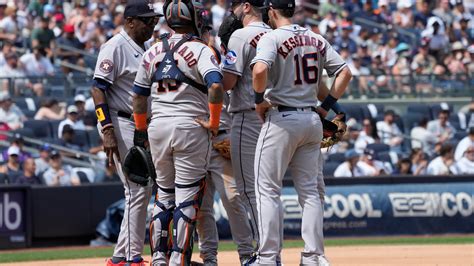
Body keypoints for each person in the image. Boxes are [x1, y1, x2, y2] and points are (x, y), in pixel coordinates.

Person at [251, 0, 352, 264]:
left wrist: (259, 99)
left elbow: (260, 69)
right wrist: (326, 107)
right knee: (310, 192)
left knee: (267, 190)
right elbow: (345, 73)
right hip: (311, 119)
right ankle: (314, 257)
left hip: (282, 118)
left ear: (271, 11)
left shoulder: (271, 37)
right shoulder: (315, 37)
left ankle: (268, 257)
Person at [132, 0, 224, 264]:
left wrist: (141, 132)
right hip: (190, 126)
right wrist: (215, 122)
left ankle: (159, 258)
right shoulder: (201, 49)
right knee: (187, 199)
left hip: (158, 126)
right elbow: (216, 87)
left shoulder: (152, 50)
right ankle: (178, 260)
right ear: (193, 18)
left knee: (163, 197)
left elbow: (138, 96)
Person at [91, 1, 160, 265]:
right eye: (146, 20)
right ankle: (132, 258)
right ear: (129, 21)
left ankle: (119, 257)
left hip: (138, 123)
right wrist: (106, 128)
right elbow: (98, 88)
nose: (151, 25)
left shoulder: (142, 46)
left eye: (153, 20)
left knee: (140, 189)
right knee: (137, 189)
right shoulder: (115, 46)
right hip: (119, 121)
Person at [220, 0, 272, 255]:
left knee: (249, 190)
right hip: (276, 118)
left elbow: (228, 82)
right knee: (269, 190)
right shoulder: (275, 34)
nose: (233, 10)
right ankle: (273, 251)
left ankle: (266, 254)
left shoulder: (240, 36)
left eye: (236, 5)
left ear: (248, 6)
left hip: (248, 116)